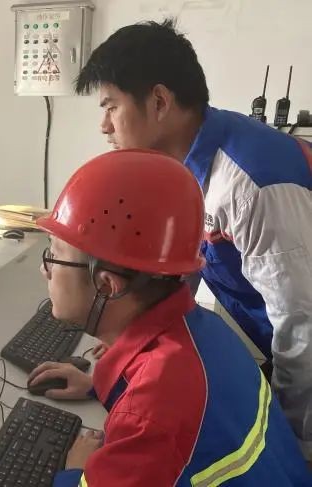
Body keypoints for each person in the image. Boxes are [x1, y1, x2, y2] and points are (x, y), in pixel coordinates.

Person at [74, 18, 312, 457]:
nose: (104, 126)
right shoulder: (178, 165)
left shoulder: (252, 184)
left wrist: (295, 449)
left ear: (159, 102)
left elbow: (303, 330)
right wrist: (115, 370)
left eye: (111, 107)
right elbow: (176, 282)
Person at [29, 149, 311, 486]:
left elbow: (158, 419)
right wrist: (97, 389)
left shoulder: (151, 417)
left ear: (106, 285)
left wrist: (75, 470)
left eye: (53, 254)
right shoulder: (204, 330)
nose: (44, 269)